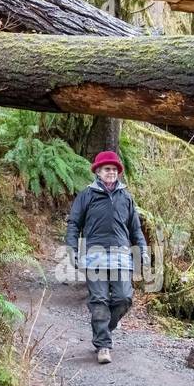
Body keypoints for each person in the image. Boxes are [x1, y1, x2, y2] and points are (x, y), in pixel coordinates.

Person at [64, 150, 149, 364]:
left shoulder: (126, 197)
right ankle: (103, 346)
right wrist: (72, 249)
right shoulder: (86, 195)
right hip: (95, 256)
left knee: (123, 298)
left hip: (121, 256)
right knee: (99, 300)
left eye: (114, 169)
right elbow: (74, 224)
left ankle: (105, 327)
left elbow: (135, 229)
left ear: (118, 172)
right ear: (98, 172)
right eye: (106, 169)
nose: (111, 172)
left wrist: (143, 250)